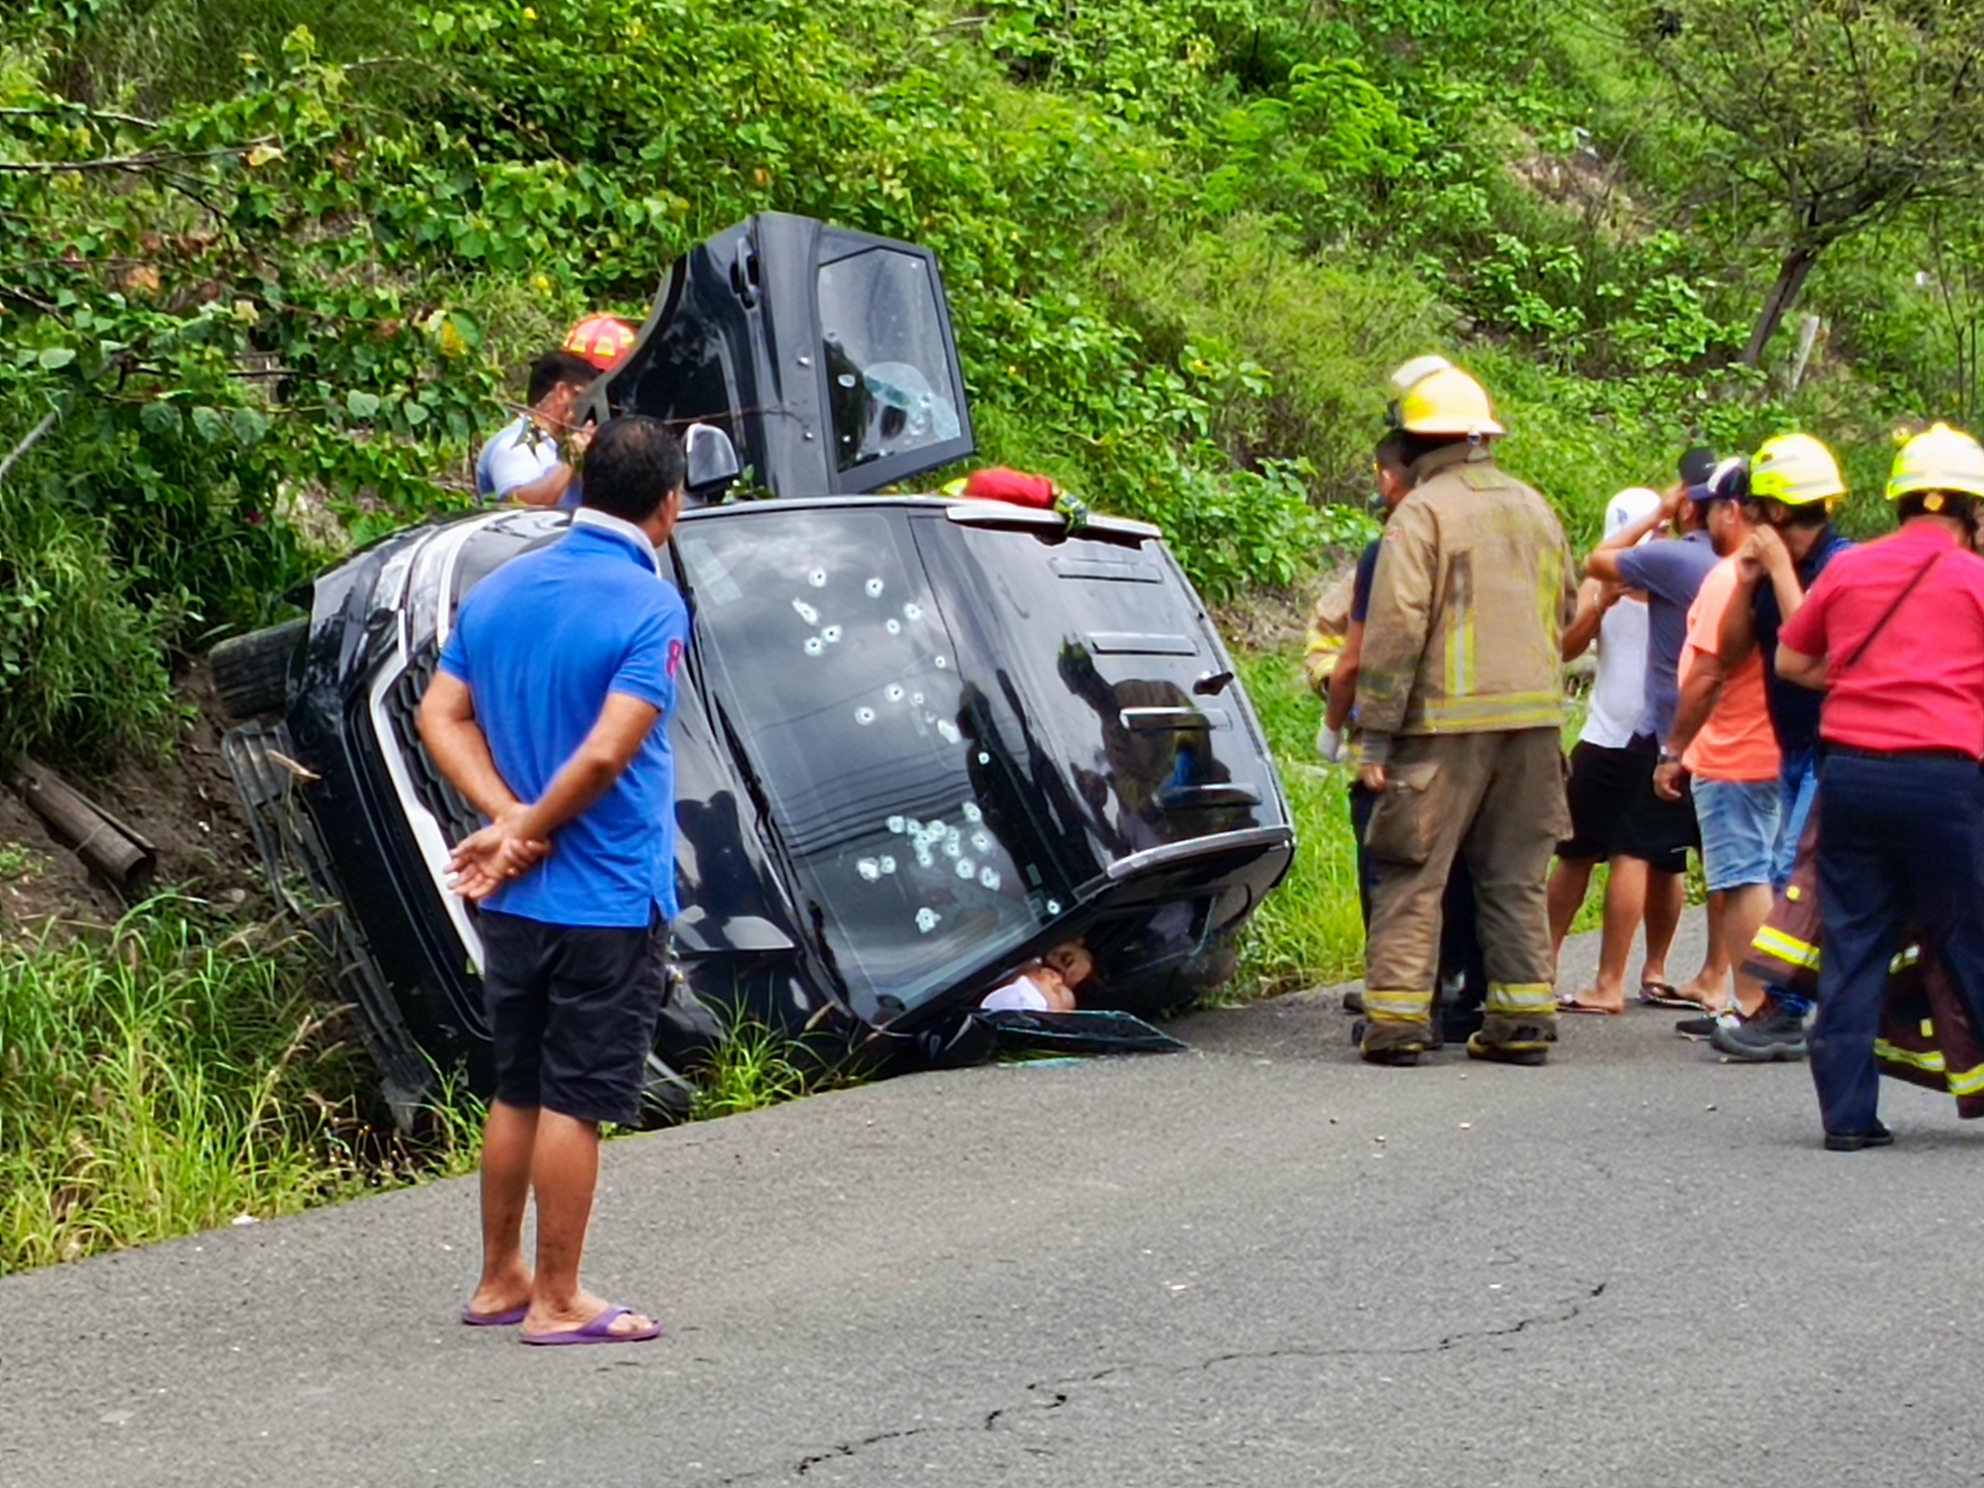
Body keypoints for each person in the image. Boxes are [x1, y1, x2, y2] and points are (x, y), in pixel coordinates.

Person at [418, 415, 691, 1344]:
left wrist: (501, 823)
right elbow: (612, 750)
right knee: (577, 1100)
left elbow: (439, 714)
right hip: (606, 896)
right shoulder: (651, 605)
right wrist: (525, 826)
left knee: (517, 1087)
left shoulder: (501, 590)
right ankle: (560, 1298)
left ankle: (500, 1278)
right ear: (669, 505)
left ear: (580, 486)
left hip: (516, 899)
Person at [1352, 357, 1578, 1067]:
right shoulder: (1536, 507)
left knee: (1412, 870)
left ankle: (1395, 1023)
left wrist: (1375, 740)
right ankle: (1522, 1020)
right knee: (1514, 875)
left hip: (1443, 729)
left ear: (1414, 443)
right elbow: (1567, 608)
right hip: (1536, 728)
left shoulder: (1421, 513)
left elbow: (1393, 633)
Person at [1776, 423, 1984, 1150]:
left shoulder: (1849, 570)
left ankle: (1848, 1119)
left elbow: (1792, 662)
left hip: (1853, 774)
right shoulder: (1976, 579)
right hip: (1945, 778)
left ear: (1899, 502)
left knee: (1854, 937)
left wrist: (1864, 684)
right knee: (1969, 936)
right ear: (1973, 509)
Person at [1324, 432, 1486, 1040]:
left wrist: (1345, 730)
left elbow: (1362, 658)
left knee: (1395, 860)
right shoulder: (1485, 533)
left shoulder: (1392, 546)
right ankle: (1470, 991)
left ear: (1392, 479)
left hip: (1419, 730)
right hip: (1500, 728)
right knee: (1478, 868)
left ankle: (1397, 1000)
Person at [1708, 433, 1853, 1061]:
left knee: (1793, 875)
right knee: (1801, 873)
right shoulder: (1767, 567)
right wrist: (1746, 579)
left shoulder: (1840, 564)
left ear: (1777, 509)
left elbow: (1808, 647)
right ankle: (1800, 1008)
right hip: (1788, 741)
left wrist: (1776, 569)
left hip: (1834, 742)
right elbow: (1734, 647)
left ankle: (1787, 1012)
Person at [1584, 469, 1726, 1014]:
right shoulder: (1742, 567)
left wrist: (1655, 517)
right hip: (1732, 734)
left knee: (1631, 851)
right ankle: (1714, 976)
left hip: (1670, 727)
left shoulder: (1675, 558)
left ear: (1691, 506)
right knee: (1721, 860)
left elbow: (1599, 561)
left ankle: (1607, 982)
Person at [1654, 464, 1782, 1025]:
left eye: (1711, 510)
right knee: (1763, 875)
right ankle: (1761, 1002)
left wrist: (1674, 748)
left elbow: (1707, 674)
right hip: (1777, 751)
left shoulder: (1732, 578)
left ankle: (1755, 1007)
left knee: (1742, 878)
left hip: (1736, 750)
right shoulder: (1787, 576)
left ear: (1734, 510)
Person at [1548, 486, 1661, 1014]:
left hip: (1650, 733)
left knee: (1635, 854)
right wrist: (1601, 602)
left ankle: (1613, 980)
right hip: (1604, 732)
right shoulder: (1601, 579)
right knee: (1573, 850)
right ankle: (1541, 964)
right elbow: (1566, 648)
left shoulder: (1676, 577)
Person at [475, 349, 600, 508]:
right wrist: (571, 460)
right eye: (582, 398)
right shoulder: (517, 444)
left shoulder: (559, 447)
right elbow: (519, 508)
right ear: (562, 393)